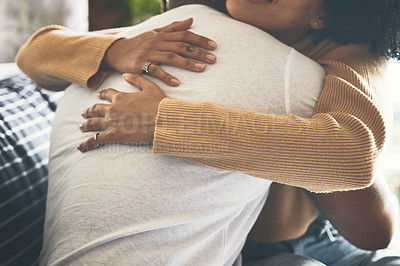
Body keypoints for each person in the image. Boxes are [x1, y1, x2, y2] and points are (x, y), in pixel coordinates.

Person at [15, 0, 400, 265]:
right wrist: (117, 49)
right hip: (231, 242)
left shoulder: (352, 53)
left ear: (326, 13)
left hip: (305, 237)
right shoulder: (194, 27)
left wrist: (163, 121)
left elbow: (351, 156)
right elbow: (33, 54)